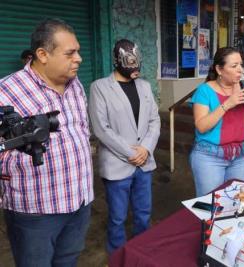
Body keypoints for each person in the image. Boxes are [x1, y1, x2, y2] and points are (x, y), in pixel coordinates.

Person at [0, 18, 93, 267]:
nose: (79, 58)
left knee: (68, 261)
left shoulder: (76, 86)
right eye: (70, 53)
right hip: (35, 212)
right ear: (42, 54)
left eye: (79, 51)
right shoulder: (6, 92)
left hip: (80, 201)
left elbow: (83, 131)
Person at [89, 39, 160, 253]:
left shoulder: (145, 86)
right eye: (130, 65)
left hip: (144, 163)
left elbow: (154, 121)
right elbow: (101, 128)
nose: (135, 70)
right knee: (118, 217)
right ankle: (117, 256)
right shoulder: (99, 87)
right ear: (117, 62)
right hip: (117, 165)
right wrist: (131, 153)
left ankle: (142, 252)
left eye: (137, 64)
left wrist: (146, 149)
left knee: (144, 213)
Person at [189, 47, 244, 197]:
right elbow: (201, 126)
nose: (240, 70)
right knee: (211, 205)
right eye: (234, 66)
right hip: (209, 157)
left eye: (241, 65)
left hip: (242, 157)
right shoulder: (204, 91)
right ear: (219, 69)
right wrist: (228, 104)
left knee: (237, 202)